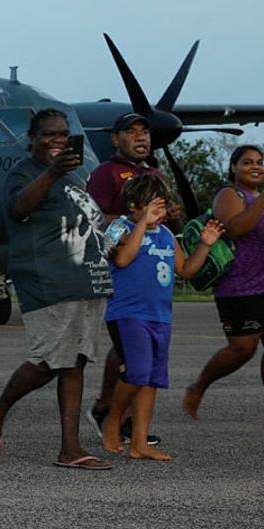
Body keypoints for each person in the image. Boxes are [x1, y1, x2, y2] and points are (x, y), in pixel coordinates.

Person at [0, 109, 113, 470]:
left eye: (64, 134)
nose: (58, 140)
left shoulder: (74, 178)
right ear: (31, 139)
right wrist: (52, 172)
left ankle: (70, 449)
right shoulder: (24, 172)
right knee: (48, 360)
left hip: (84, 279)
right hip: (47, 280)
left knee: (75, 362)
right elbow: (19, 208)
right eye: (49, 134)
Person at [101, 176, 222, 461]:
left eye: (162, 205)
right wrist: (142, 224)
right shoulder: (119, 227)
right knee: (137, 372)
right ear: (134, 205)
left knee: (152, 379)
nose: (159, 211)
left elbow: (186, 270)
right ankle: (112, 421)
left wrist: (205, 245)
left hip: (160, 317)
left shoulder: (166, 234)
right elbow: (122, 259)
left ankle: (140, 443)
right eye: (152, 204)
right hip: (128, 313)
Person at [180, 145, 264, 427]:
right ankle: (198, 386)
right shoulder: (230, 194)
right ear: (234, 167)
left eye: (259, 162)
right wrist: (263, 200)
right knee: (242, 348)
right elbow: (235, 229)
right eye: (247, 162)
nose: (255, 167)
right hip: (243, 287)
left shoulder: (263, 198)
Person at [85, 112, 175, 444]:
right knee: (130, 354)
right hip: (121, 267)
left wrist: (167, 215)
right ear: (115, 138)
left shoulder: (152, 172)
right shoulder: (106, 172)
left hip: (152, 280)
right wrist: (135, 217)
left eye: (145, 132)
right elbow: (93, 216)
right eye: (131, 131)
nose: (141, 137)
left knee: (137, 359)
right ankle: (109, 411)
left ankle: (128, 423)